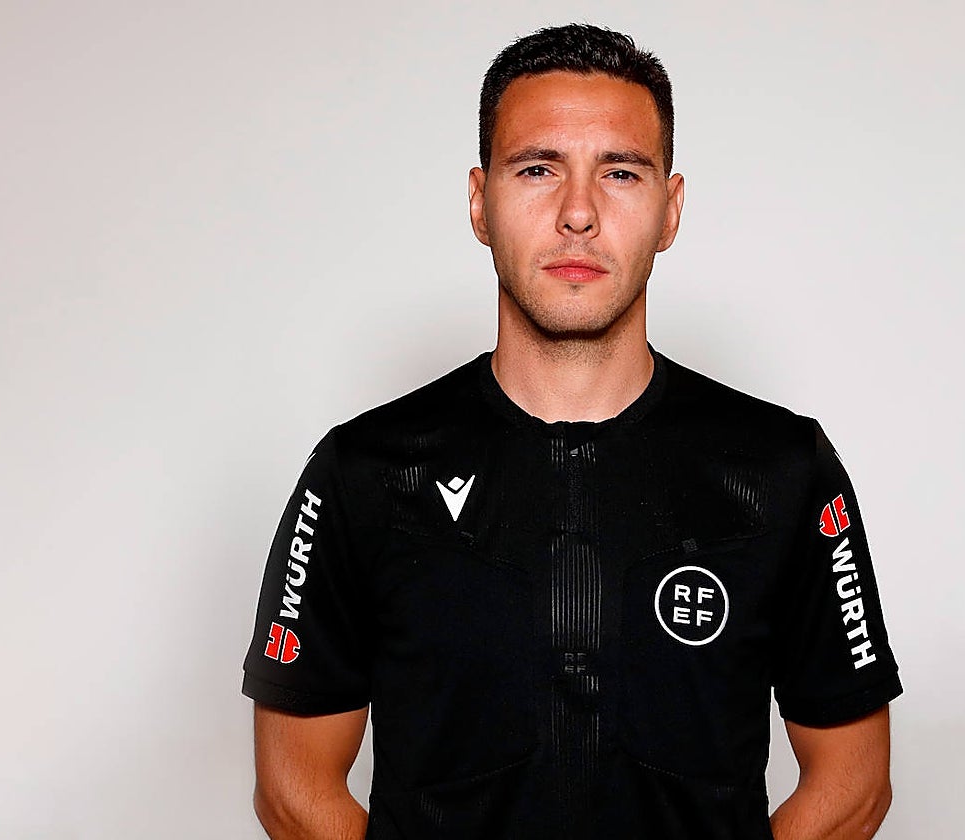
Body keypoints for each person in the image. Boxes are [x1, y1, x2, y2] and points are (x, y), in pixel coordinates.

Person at [242, 22, 902, 840]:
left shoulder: (782, 470)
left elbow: (853, 783)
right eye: (538, 169)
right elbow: (292, 787)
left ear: (670, 209)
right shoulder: (365, 472)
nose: (579, 213)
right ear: (480, 202)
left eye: (620, 172)